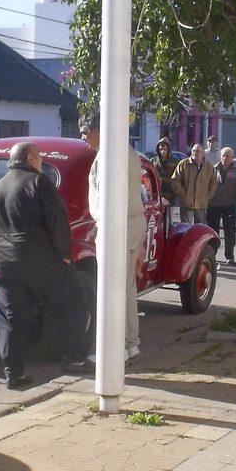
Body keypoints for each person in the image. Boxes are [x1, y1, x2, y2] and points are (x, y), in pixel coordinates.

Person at [0, 142, 89, 388]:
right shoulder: (39, 183)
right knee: (73, 301)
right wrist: (64, 255)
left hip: (3, 264)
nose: (41, 161)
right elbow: (57, 221)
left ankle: (14, 374)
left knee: (10, 319)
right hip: (39, 261)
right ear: (29, 159)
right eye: (39, 157)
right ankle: (74, 359)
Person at [81, 114, 146, 361]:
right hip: (128, 221)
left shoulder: (110, 154)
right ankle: (130, 343)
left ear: (98, 129)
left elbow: (108, 194)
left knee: (112, 288)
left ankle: (114, 348)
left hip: (117, 224)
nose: (83, 137)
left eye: (86, 132)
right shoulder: (127, 151)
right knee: (126, 287)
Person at [207, 147, 236, 264]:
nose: (225, 158)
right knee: (213, 231)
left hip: (230, 204)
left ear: (232, 158)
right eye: (223, 155)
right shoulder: (213, 169)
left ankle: (229, 256)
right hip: (214, 204)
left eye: (227, 156)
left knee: (230, 232)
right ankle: (212, 255)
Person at [172, 143, 216, 224]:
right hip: (186, 203)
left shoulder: (209, 167)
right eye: (193, 151)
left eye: (198, 151)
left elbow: (213, 183)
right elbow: (175, 180)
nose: (195, 153)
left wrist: (207, 196)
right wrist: (183, 194)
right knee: (186, 229)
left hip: (201, 204)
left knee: (199, 230)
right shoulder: (183, 164)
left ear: (203, 153)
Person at [152, 137, 181, 218]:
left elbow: (178, 179)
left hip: (169, 196)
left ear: (168, 150)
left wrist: (175, 194)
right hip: (156, 195)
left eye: (165, 149)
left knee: (168, 219)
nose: (162, 151)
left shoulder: (175, 162)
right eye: (161, 149)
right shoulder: (154, 161)